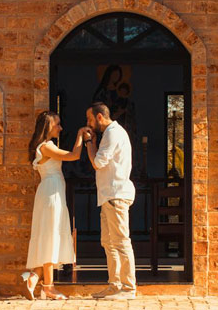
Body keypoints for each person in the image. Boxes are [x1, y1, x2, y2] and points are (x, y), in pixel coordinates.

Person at [20, 111, 88, 300]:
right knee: (50, 236)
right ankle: (48, 287)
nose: (60, 128)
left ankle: (33, 278)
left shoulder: (42, 147)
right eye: (57, 124)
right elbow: (74, 155)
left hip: (48, 191)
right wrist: (80, 134)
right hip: (52, 193)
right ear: (48, 126)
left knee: (47, 235)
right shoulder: (47, 146)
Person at [84, 102, 137, 300]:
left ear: (99, 117)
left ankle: (128, 288)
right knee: (109, 243)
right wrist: (95, 143)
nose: (88, 123)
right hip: (108, 196)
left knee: (121, 242)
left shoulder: (113, 133)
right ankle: (114, 286)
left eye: (90, 119)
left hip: (115, 194)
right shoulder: (110, 134)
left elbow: (98, 162)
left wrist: (89, 142)